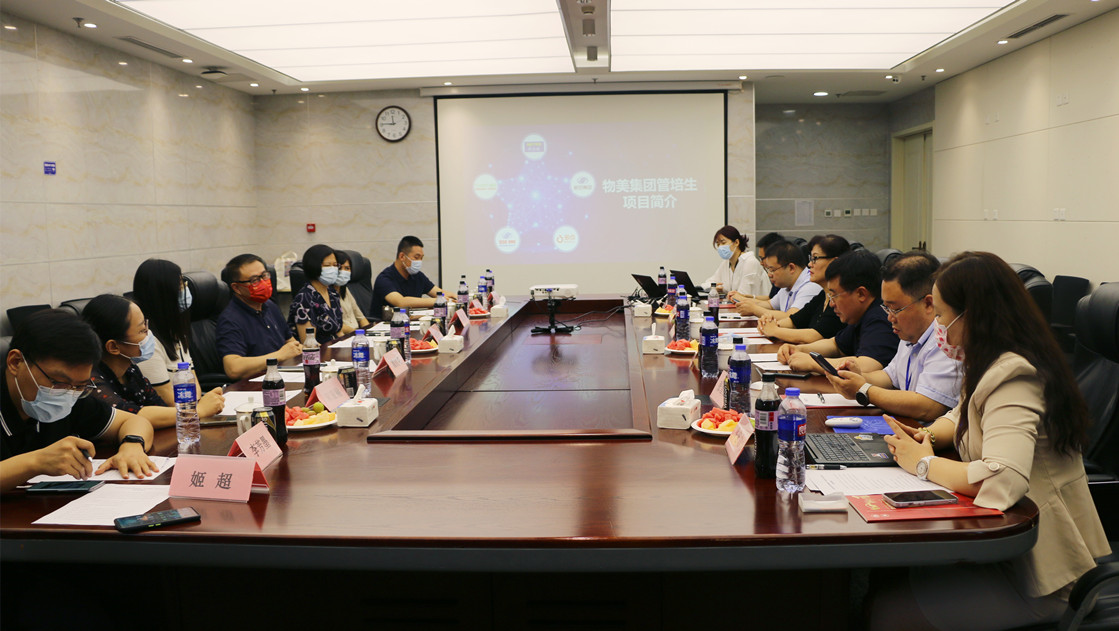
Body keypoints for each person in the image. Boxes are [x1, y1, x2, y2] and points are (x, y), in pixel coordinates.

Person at [867, 251, 1110, 631]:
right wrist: (925, 436)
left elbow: (1003, 477)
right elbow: (959, 415)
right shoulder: (989, 360)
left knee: (887, 611)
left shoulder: (1015, 374)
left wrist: (923, 463)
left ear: (973, 315)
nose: (938, 325)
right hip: (1008, 553)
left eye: (942, 315)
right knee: (890, 576)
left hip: (1044, 576)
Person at [1, 309, 158, 492]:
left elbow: (135, 421)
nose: (68, 393)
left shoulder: (71, 394)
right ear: (16, 362)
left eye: (80, 385)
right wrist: (35, 462)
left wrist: (132, 445)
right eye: (57, 382)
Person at [824, 251, 961, 422]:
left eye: (895, 309)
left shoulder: (947, 340)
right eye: (886, 308)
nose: (890, 318)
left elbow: (927, 407)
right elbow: (890, 376)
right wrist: (858, 377)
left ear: (928, 303)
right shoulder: (909, 333)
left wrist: (863, 389)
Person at [83, 294, 224, 428]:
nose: (149, 335)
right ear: (113, 347)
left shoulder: (131, 370)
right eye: (142, 331)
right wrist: (197, 411)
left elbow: (158, 406)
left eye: (146, 326)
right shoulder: (89, 381)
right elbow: (129, 416)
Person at [777, 249, 899, 373]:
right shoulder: (860, 315)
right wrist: (799, 349)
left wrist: (814, 363)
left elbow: (868, 365)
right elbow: (835, 345)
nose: (831, 303)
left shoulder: (881, 317)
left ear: (861, 294)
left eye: (834, 295)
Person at [216, 253, 302, 381]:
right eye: (254, 280)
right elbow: (233, 368)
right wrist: (278, 355)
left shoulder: (269, 305)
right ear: (237, 288)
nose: (263, 282)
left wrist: (298, 349)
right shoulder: (230, 319)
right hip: (256, 384)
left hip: (283, 375)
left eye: (264, 276)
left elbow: (290, 342)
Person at [756, 234, 849, 344]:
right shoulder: (822, 295)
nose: (810, 264)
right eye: (810, 258)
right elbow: (794, 321)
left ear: (834, 262)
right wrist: (769, 324)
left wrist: (775, 330)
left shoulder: (842, 299)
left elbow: (816, 335)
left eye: (815, 259)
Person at [132, 258, 195, 405]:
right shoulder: (147, 343)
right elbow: (168, 400)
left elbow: (193, 383)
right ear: (163, 294)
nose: (185, 290)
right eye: (181, 286)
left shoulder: (176, 332)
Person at [734, 240, 822, 318]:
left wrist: (755, 310)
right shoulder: (787, 285)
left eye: (772, 270)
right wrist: (744, 301)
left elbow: (791, 317)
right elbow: (770, 304)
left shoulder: (810, 285)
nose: (769, 275)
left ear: (791, 268)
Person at [370, 236, 446, 315]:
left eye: (421, 258)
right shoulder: (384, 279)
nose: (419, 261)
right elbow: (401, 302)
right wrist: (439, 300)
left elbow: (439, 293)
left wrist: (452, 298)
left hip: (411, 321)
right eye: (416, 257)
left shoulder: (417, 276)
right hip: (387, 322)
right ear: (402, 256)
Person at [288, 244, 344, 344]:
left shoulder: (332, 293)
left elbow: (338, 331)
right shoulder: (304, 299)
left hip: (335, 348)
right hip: (317, 352)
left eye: (335, 265)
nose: (333, 269)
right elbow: (309, 343)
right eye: (327, 265)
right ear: (314, 267)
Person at [702, 225, 770, 301]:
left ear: (736, 242)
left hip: (758, 306)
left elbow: (742, 296)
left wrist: (723, 291)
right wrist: (714, 288)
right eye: (718, 244)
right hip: (737, 306)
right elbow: (706, 284)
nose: (720, 247)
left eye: (723, 243)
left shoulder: (750, 262)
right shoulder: (726, 263)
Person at [335, 250, 371, 335]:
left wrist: (369, 333)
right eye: (339, 268)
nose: (343, 271)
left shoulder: (345, 290)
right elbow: (336, 325)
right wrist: (357, 334)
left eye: (347, 268)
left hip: (356, 334)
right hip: (345, 336)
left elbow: (361, 318)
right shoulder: (326, 293)